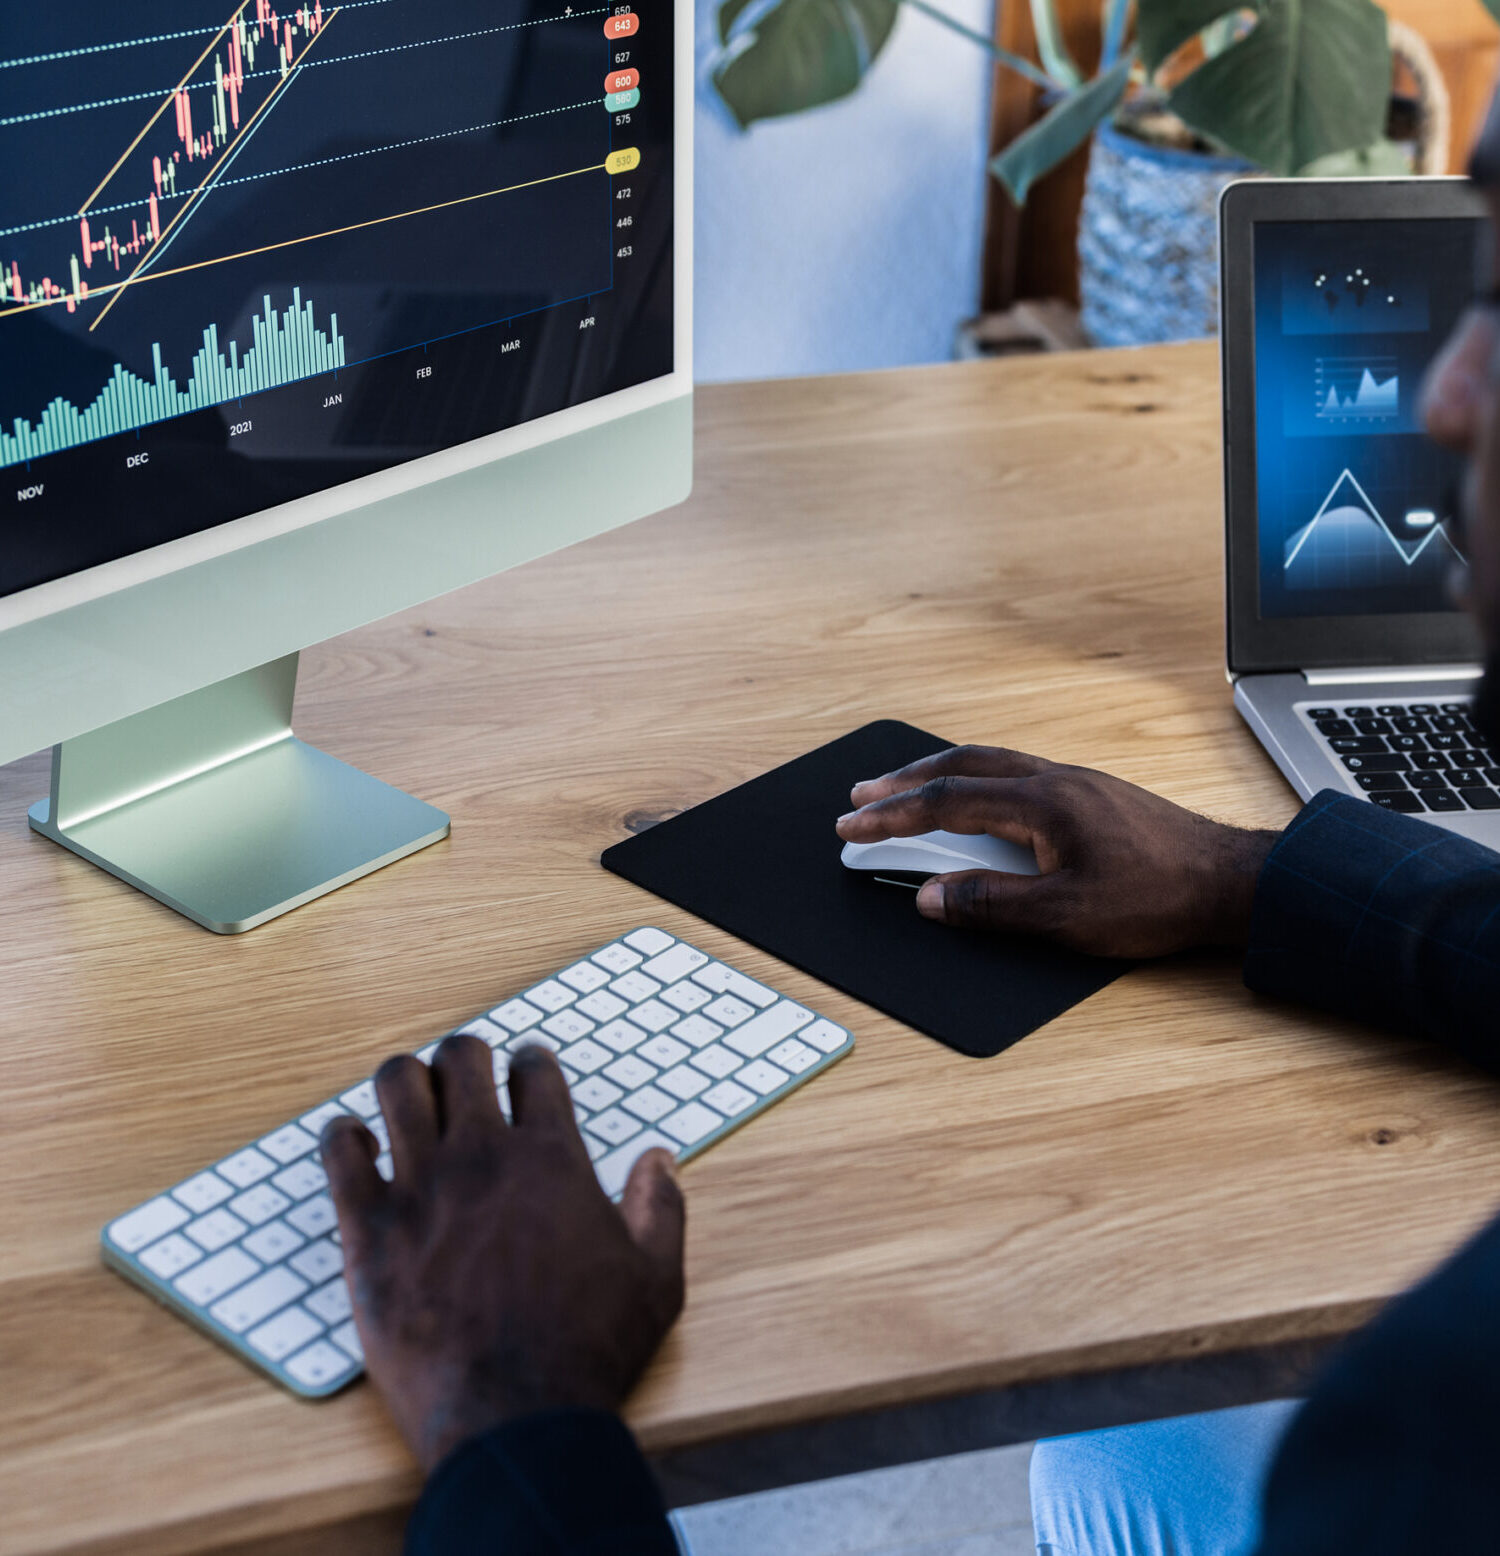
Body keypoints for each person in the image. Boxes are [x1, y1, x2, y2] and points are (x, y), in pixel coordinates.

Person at [321, 103, 1500, 1554]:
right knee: (1121, 1458)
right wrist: (1241, 876)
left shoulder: (1418, 1457)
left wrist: (517, 1425)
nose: (1444, 392)